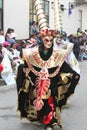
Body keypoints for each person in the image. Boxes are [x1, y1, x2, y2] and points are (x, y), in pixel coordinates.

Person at [16, 29, 80, 130]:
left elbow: (63, 65)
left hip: (52, 83)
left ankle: (50, 123)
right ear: (42, 40)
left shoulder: (57, 54)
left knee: (50, 102)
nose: (49, 43)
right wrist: (24, 68)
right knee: (39, 102)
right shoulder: (35, 52)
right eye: (46, 40)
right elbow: (28, 62)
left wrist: (74, 74)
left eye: (51, 40)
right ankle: (42, 117)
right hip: (37, 81)